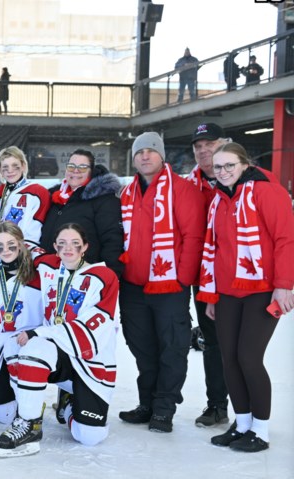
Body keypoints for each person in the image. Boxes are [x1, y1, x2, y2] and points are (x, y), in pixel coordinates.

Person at [197, 142, 294, 453]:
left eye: (229, 165)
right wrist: (211, 295)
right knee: (230, 360)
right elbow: (214, 250)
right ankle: (242, 425)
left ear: (244, 163)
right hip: (227, 292)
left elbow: (285, 238)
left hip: (262, 290)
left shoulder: (267, 191)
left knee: (249, 358)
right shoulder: (218, 199)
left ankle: (261, 431)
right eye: (218, 166)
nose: (223, 171)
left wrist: (284, 284)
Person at [0, 223, 120, 457]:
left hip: (89, 361)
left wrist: (40, 332)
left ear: (85, 247)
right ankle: (29, 421)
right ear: (54, 247)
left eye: (75, 243)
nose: (68, 248)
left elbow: (94, 331)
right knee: (19, 344)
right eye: (61, 244)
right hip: (54, 353)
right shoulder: (47, 264)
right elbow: (17, 247)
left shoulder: (103, 277)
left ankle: (69, 404)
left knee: (89, 437)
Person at [116, 132, 204, 433]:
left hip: (168, 285)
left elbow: (194, 236)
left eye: (151, 151)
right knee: (142, 346)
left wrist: (182, 278)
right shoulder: (126, 194)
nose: (145, 156)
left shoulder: (182, 190)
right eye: (140, 152)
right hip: (134, 285)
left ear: (161, 155)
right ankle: (147, 404)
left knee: (172, 347)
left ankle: (164, 408)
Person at [187, 123, 232, 427]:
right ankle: (217, 405)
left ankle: (251, 409)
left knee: (243, 346)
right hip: (204, 277)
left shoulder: (246, 180)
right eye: (198, 146)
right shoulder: (188, 186)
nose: (203, 150)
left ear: (224, 144)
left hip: (244, 276)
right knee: (213, 342)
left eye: (210, 143)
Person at [0, 222, 43, 425]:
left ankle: (34, 401)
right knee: (4, 417)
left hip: (23, 344)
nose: (6, 250)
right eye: (0, 246)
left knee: (24, 404)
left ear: (21, 244)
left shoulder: (38, 271)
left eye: (11, 245)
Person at [39, 149, 124, 279]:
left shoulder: (104, 200)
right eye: (71, 166)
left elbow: (112, 241)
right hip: (49, 274)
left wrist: (109, 277)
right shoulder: (53, 196)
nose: (75, 170)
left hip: (83, 277)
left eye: (82, 168)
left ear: (91, 171)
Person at [0, 146, 51, 250]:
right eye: (5, 167)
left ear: (23, 166)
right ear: (0, 169)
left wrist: (23, 252)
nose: (10, 171)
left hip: (23, 253)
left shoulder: (38, 192)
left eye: (15, 166)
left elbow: (35, 231)